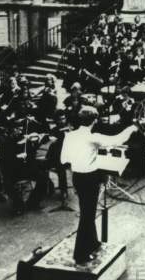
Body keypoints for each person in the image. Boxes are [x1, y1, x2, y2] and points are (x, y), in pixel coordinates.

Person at [59, 106, 140, 265]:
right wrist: (131, 128)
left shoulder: (70, 136)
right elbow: (117, 140)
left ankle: (93, 242)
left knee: (87, 211)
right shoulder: (92, 137)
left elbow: (64, 159)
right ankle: (80, 255)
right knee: (87, 216)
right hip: (90, 178)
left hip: (77, 178)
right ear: (94, 120)